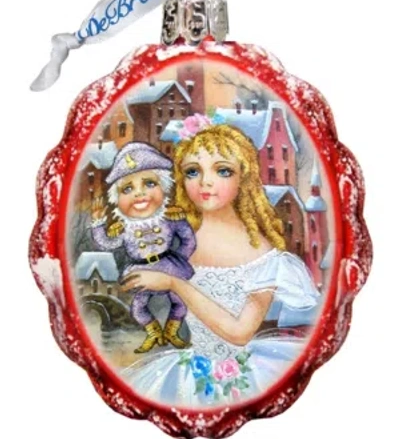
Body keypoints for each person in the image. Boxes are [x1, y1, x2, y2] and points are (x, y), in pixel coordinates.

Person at [120, 122, 320, 407]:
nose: (205, 182)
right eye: (193, 171)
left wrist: (174, 284)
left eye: (223, 171)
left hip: (241, 375)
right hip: (190, 370)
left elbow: (240, 333)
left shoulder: (261, 252)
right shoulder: (179, 239)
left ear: (243, 178)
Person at [91, 142, 196, 353]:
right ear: (117, 199)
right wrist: (98, 225)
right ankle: (153, 333)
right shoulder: (123, 227)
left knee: (181, 302)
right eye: (128, 189)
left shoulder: (170, 218)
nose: (139, 194)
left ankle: (172, 332)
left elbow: (189, 240)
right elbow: (107, 244)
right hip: (140, 270)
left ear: (163, 188)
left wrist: (178, 260)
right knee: (138, 307)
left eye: (149, 183)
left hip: (169, 268)